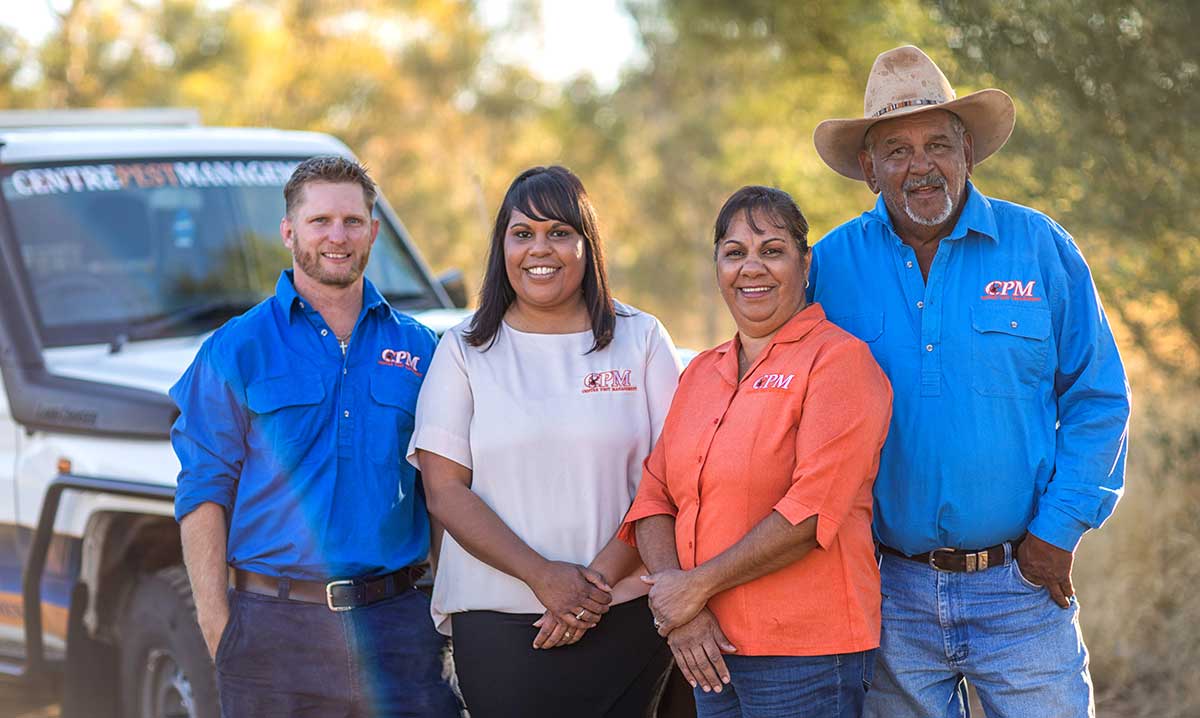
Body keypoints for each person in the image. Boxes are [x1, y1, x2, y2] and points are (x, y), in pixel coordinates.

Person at [808, 45, 1132, 717]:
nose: (919, 166)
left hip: (1021, 583)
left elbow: (1098, 398)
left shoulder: (1039, 248)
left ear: (968, 154)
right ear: (868, 170)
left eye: (937, 145)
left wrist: (1059, 528)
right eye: (895, 150)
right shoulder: (829, 268)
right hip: (887, 591)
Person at [170, 156, 459, 717]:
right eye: (319, 221)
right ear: (288, 232)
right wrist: (217, 623)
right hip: (272, 629)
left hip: (398, 624)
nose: (337, 236)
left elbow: (444, 492)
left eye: (352, 221)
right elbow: (203, 490)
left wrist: (451, 610)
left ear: (374, 231)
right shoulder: (237, 348)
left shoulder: (423, 350)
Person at [409, 165, 681, 717]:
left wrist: (593, 586)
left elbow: (670, 478)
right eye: (522, 233)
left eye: (559, 232)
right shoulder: (463, 350)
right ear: (501, 247)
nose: (541, 249)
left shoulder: (641, 339)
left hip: (625, 614)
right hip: (499, 622)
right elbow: (445, 492)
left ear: (587, 244)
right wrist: (542, 576)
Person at [620, 185, 893, 717]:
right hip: (709, 646)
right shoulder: (701, 370)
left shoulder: (839, 364)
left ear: (805, 262)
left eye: (772, 250)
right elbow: (653, 498)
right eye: (735, 253)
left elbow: (810, 514)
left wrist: (692, 588)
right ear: (717, 266)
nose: (753, 268)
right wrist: (684, 610)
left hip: (805, 654)